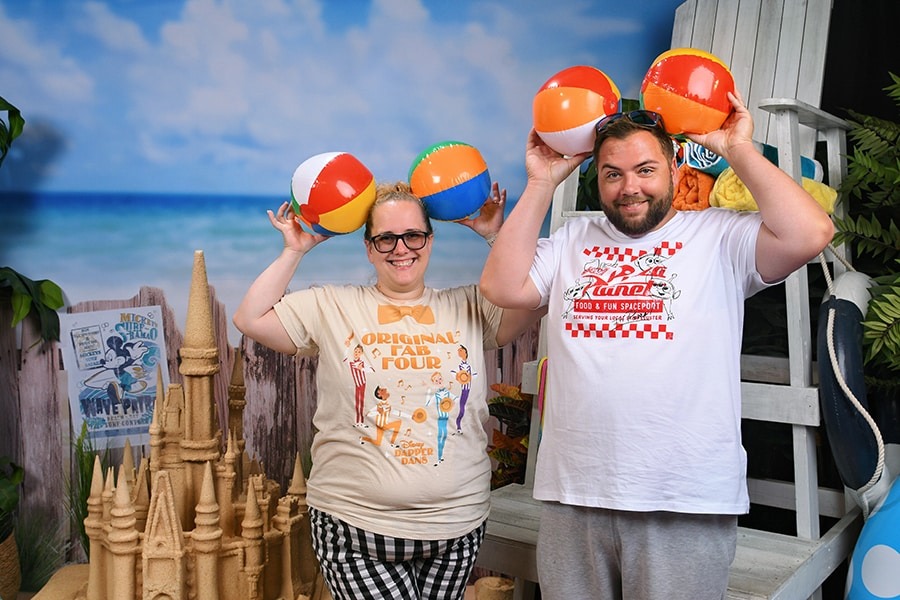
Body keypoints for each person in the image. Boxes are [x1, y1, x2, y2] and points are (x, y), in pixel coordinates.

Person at [479, 92, 834, 599]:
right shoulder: (572, 241)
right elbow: (502, 289)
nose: (630, 188)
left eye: (645, 169)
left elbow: (812, 232)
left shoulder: (719, 237)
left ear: (674, 166)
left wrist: (738, 149)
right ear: (597, 179)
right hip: (575, 494)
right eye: (613, 174)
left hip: (683, 498)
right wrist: (540, 182)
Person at [233, 180, 543, 600]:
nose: (401, 248)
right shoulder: (332, 305)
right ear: (368, 247)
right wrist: (295, 250)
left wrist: (494, 235)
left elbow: (533, 297)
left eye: (413, 235)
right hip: (356, 525)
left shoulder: (470, 305)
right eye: (386, 238)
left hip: (455, 526)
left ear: (429, 240)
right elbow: (251, 318)